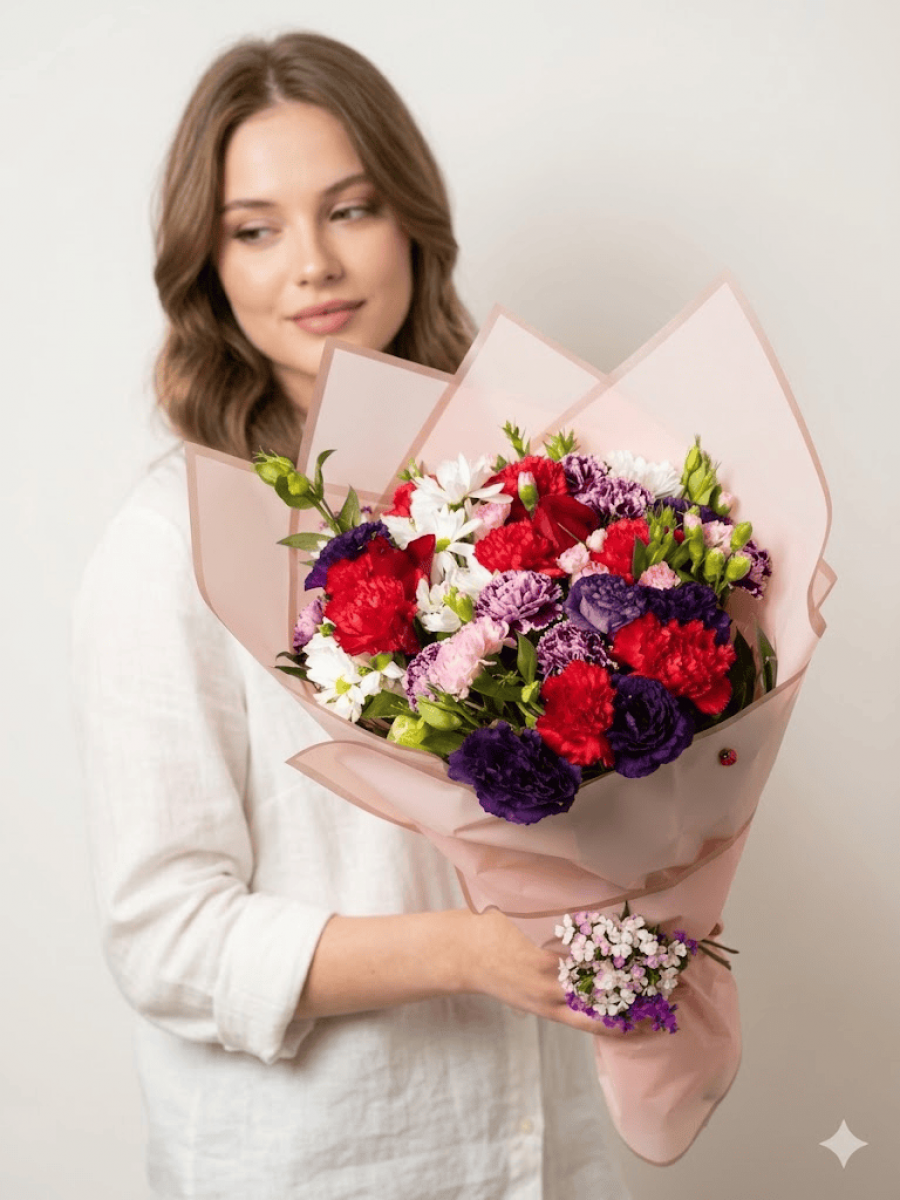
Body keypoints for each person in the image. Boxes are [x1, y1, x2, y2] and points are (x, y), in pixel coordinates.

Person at [72, 32, 632, 1200]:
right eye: (256, 229)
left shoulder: (528, 499)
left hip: (553, 1148)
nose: (314, 265)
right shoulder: (169, 542)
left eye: (351, 209)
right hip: (326, 1160)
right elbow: (164, 936)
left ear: (411, 222)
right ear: (207, 265)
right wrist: (466, 953)